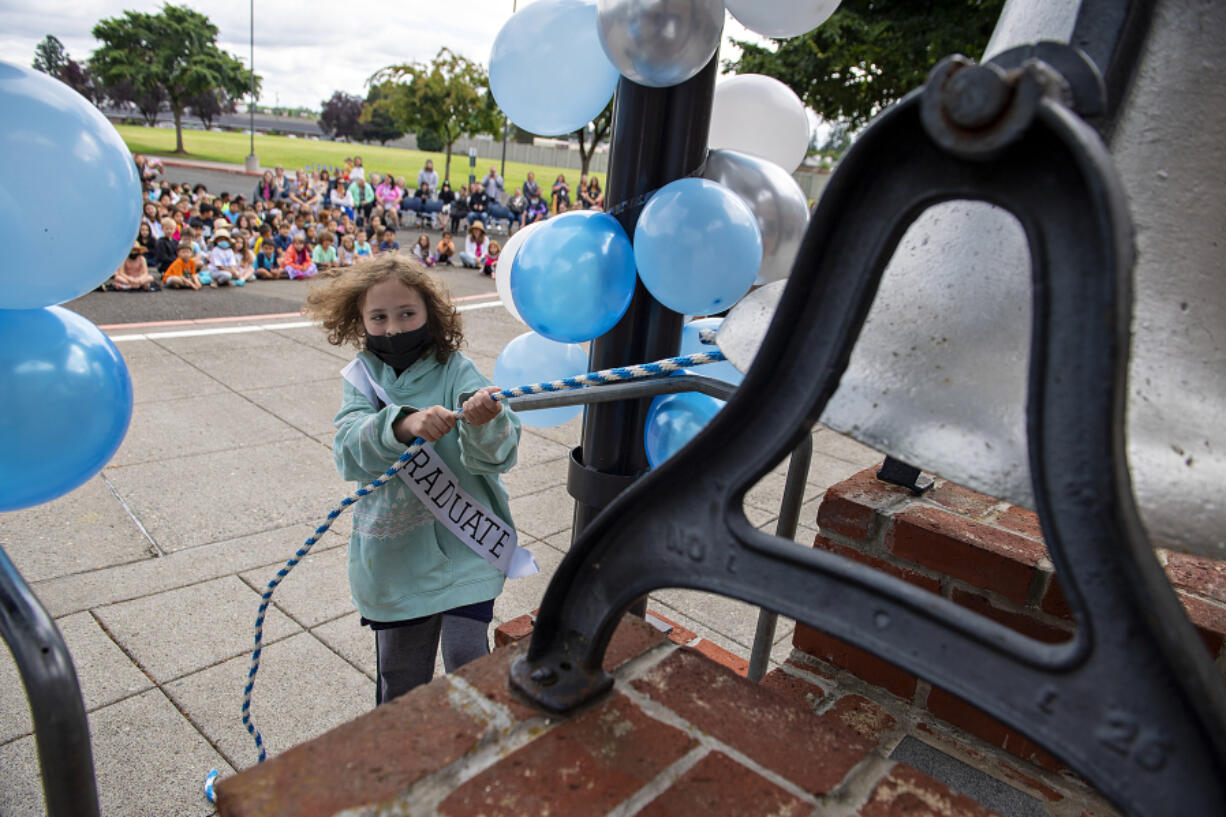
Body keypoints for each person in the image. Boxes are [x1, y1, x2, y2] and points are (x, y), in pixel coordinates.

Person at [302, 254, 521, 703]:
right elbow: (348, 453)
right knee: (401, 683)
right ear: (359, 320)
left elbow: (498, 456)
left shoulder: (456, 368)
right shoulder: (361, 379)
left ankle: (480, 757)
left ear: (430, 315)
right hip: (395, 562)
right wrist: (402, 425)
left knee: (471, 669)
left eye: (407, 314)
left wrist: (484, 420)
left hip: (467, 550)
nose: (394, 328)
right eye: (378, 317)